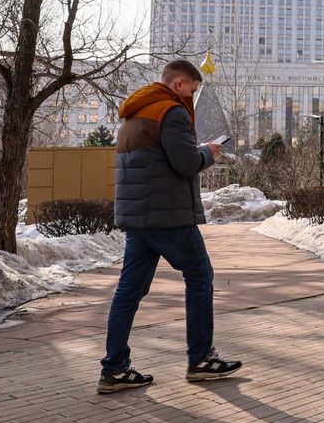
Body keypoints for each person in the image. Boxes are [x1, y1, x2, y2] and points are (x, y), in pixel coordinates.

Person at [97, 59, 241, 393]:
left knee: (129, 290)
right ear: (179, 84)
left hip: (139, 217)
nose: (192, 96)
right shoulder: (171, 112)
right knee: (200, 275)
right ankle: (201, 359)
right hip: (168, 215)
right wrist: (208, 151)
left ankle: (114, 368)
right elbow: (186, 162)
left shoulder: (135, 115)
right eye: (192, 90)